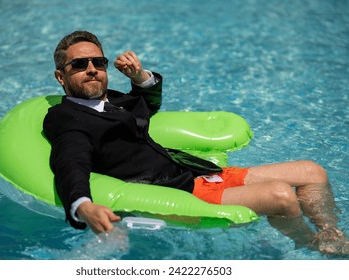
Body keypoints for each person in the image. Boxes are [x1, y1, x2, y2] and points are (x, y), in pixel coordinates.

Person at [43, 30, 348, 255]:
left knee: (312, 172)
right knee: (282, 196)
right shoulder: (68, 118)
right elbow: (70, 161)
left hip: (194, 171)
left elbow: (146, 107)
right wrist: (82, 206)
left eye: (99, 61)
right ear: (61, 76)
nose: (92, 69)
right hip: (179, 189)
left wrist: (139, 76)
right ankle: (310, 247)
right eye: (80, 65)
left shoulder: (112, 100)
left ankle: (329, 235)